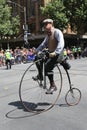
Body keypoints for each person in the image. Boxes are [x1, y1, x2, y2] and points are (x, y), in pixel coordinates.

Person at [33, 18, 65, 94]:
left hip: (58, 54)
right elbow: (43, 44)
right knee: (38, 58)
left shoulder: (57, 32)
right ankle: (40, 75)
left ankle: (53, 85)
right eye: (44, 24)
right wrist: (37, 50)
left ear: (51, 24)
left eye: (47, 24)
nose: (45, 26)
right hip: (51, 53)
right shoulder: (48, 35)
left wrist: (56, 52)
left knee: (47, 67)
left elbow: (61, 43)